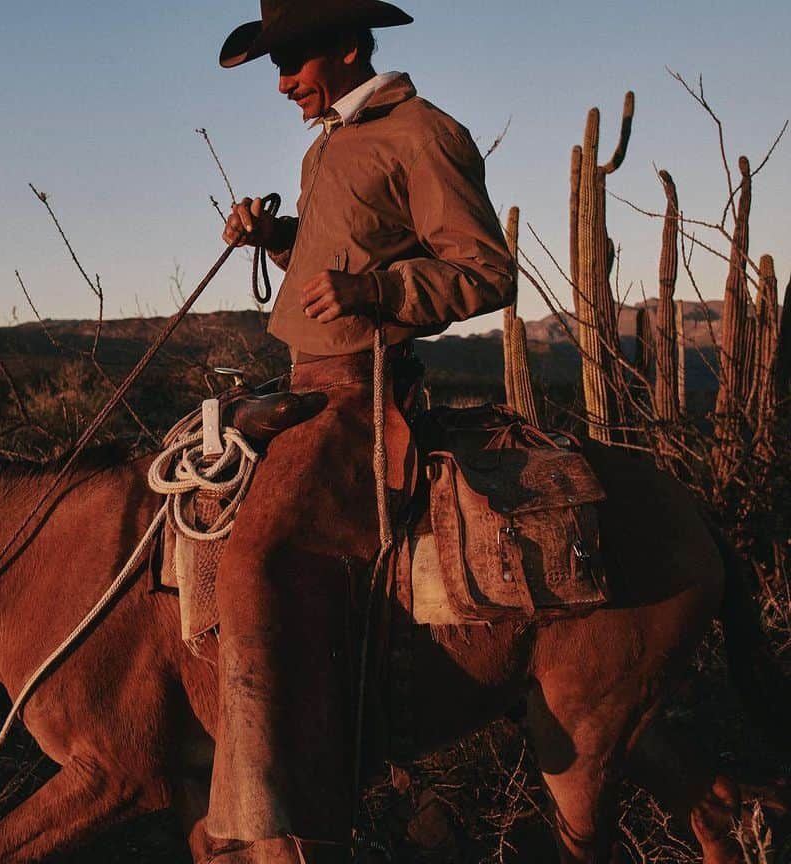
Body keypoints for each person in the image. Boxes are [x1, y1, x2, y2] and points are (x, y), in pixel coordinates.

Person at [205, 2, 515, 860]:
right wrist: (278, 239)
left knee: (253, 561)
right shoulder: (330, 142)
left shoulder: (422, 133)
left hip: (358, 396)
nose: (281, 82)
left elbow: (485, 272)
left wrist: (375, 296)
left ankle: (281, 823)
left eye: (293, 60)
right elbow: (350, 248)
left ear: (346, 48)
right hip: (302, 384)